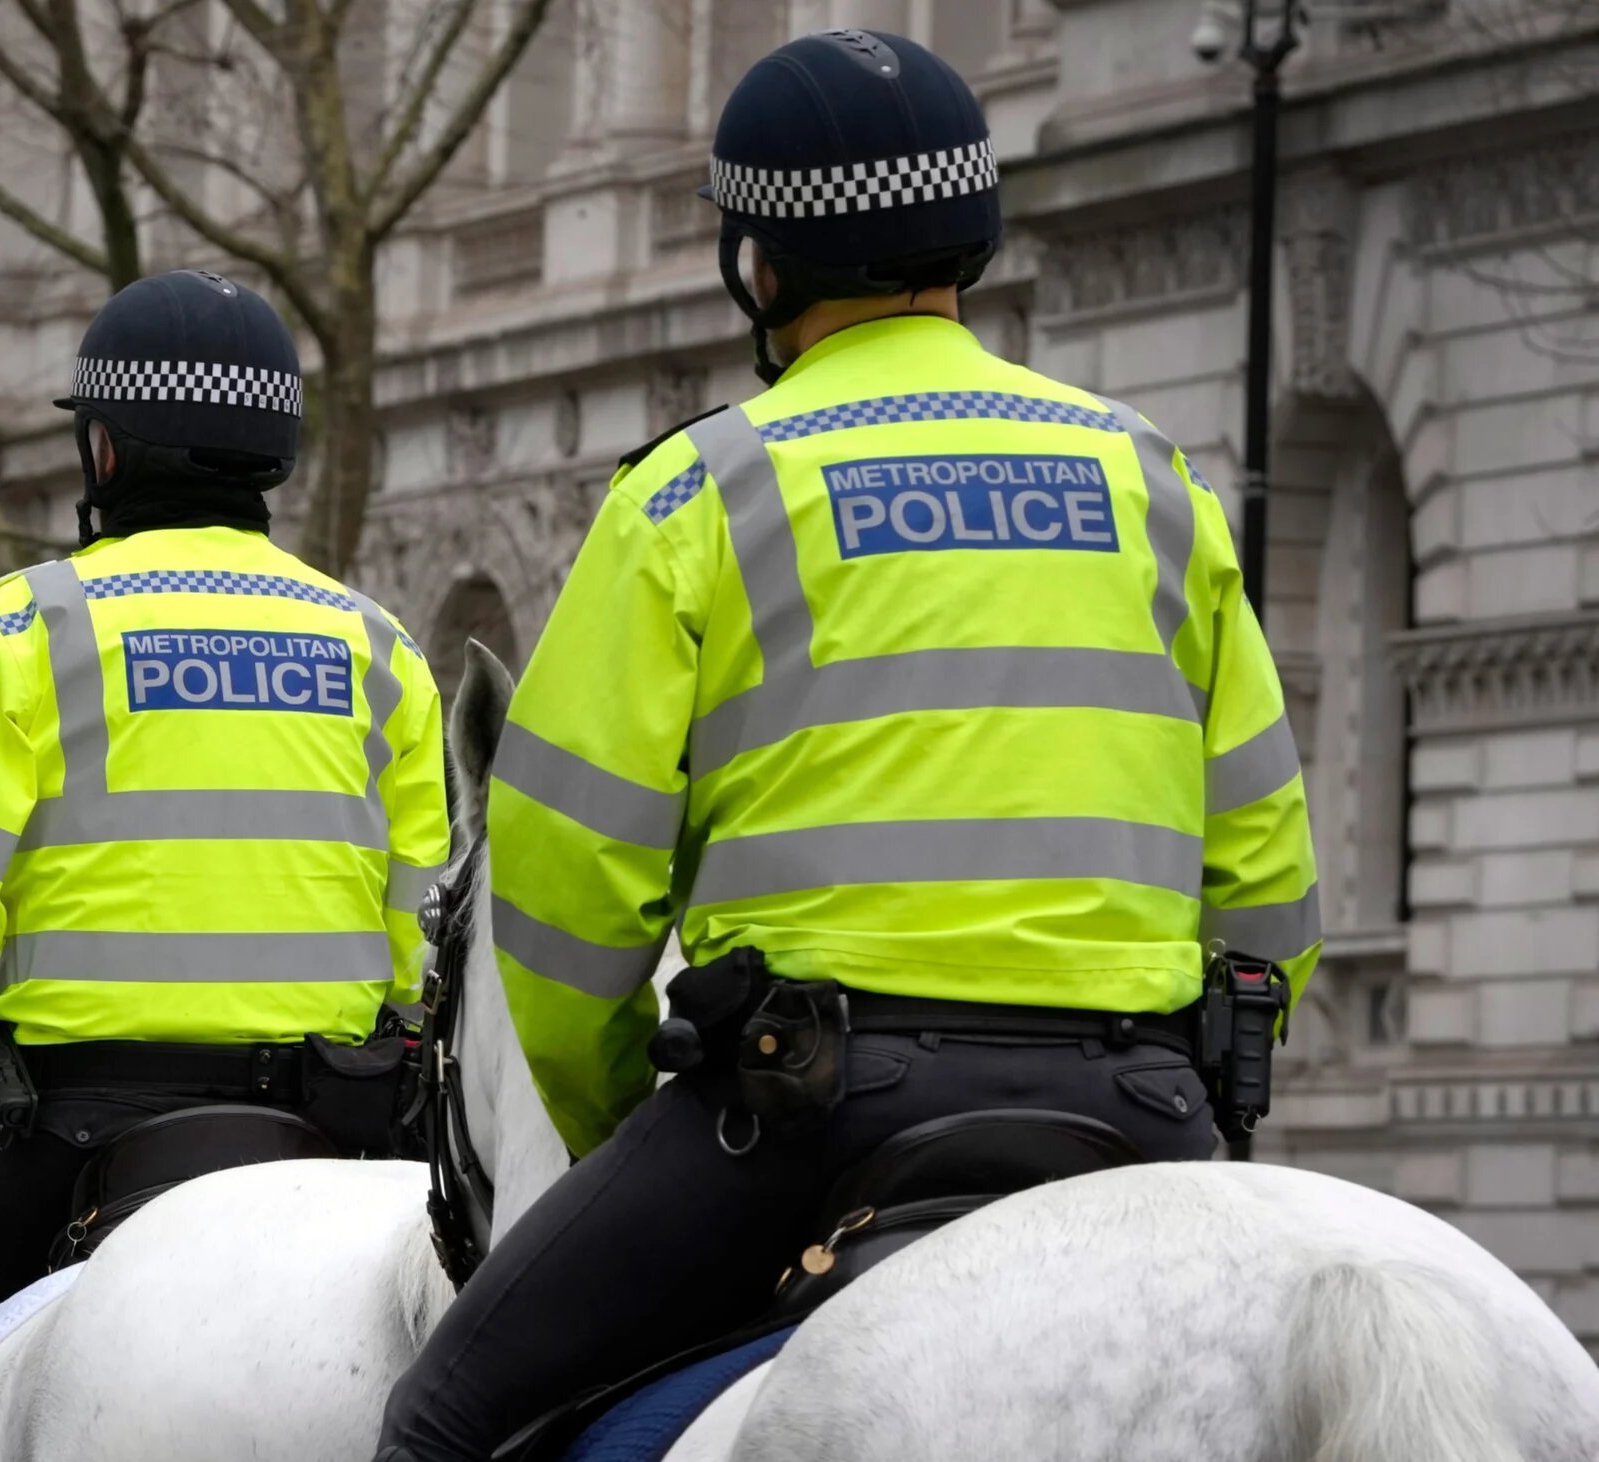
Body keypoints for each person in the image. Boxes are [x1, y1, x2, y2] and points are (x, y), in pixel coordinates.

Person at [374, 30, 1320, 1460]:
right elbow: (1269, 886)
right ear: (973, 237)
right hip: (1136, 1102)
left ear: (757, 267)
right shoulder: (1152, 477)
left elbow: (561, 903)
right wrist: (1208, 1078)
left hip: (810, 1109)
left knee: (440, 1419)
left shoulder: (701, 491)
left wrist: (622, 1109)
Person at [0, 269, 451, 1453]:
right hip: (343, 1127)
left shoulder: (24, 628)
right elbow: (414, 923)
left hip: (83, 1129)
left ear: (104, 452)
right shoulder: (379, 645)